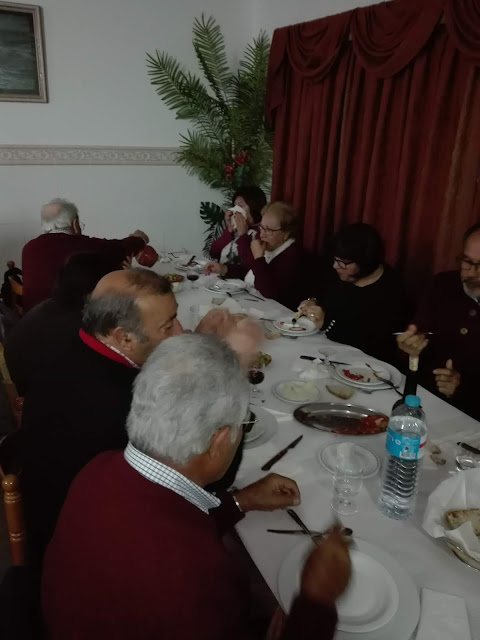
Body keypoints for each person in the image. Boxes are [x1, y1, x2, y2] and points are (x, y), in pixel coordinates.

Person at [42, 334, 351, 640]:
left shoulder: (99, 467)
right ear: (218, 442)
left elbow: (165, 520)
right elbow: (173, 555)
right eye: (241, 426)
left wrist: (240, 501)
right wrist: (316, 600)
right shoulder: (195, 582)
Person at [20, 268, 262, 568]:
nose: (179, 331)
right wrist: (233, 366)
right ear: (124, 337)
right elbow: (209, 472)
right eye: (167, 325)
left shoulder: (79, 345)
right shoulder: (119, 401)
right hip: (90, 552)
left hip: (70, 514)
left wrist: (198, 345)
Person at [396, 222, 480, 420]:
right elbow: (414, 357)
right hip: (421, 402)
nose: (471, 273)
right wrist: (409, 350)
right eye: (467, 261)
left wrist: (461, 390)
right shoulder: (443, 285)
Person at [4, 252, 117, 397]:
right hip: (46, 399)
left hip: (29, 391)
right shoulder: (81, 330)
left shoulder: (52, 306)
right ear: (96, 288)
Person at [298, 223, 409, 363]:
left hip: (362, 362)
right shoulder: (340, 271)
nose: (335, 266)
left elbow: (372, 342)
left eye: (343, 262)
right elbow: (319, 291)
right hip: (323, 347)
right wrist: (312, 301)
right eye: (335, 259)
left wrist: (326, 323)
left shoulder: (391, 291)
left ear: (365, 262)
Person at [21, 198, 149, 311]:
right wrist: (139, 239)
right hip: (71, 323)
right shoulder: (82, 245)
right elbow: (120, 248)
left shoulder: (29, 248)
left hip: (31, 321)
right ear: (74, 224)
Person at [205, 202, 305, 309]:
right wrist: (223, 269)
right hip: (254, 301)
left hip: (277, 311)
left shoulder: (293, 256)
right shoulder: (270, 244)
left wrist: (259, 258)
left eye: (268, 230)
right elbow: (250, 271)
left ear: (286, 233)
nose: (262, 234)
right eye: (261, 227)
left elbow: (268, 291)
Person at [210, 186, 267, 265]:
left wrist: (243, 235)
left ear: (254, 207)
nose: (235, 210)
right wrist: (229, 229)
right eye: (234, 206)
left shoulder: (262, 233)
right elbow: (213, 253)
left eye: (241, 206)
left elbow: (251, 265)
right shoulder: (235, 228)